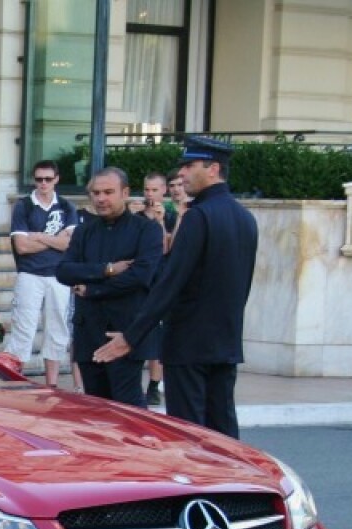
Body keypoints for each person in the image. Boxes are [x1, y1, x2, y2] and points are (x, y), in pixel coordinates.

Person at [94, 136, 258, 439]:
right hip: (225, 343)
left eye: (189, 165)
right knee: (224, 435)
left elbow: (171, 282)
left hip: (189, 346)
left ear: (213, 169)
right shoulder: (244, 217)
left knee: (190, 438)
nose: (181, 174)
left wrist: (131, 336)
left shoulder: (199, 216)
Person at [55, 167, 163, 407]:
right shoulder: (84, 231)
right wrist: (107, 269)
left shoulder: (146, 229)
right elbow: (64, 271)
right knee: (96, 410)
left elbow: (140, 275)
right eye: (95, 193)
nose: (101, 198)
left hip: (124, 334)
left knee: (128, 408)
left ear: (125, 193)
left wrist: (92, 289)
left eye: (108, 192)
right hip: (88, 333)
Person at [2, 159, 78, 387]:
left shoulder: (66, 206)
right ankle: (17, 380)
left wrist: (39, 236)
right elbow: (22, 246)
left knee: (57, 328)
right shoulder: (24, 206)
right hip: (30, 273)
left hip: (59, 274)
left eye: (47, 179)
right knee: (23, 327)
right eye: (38, 179)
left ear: (56, 179)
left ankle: (51, 384)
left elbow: (69, 244)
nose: (43, 183)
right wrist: (55, 239)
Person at [135, 172, 176, 406]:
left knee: (156, 335)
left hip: (159, 279)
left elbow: (165, 249)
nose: (150, 194)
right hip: (141, 278)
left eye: (154, 190)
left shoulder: (170, 217)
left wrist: (160, 223)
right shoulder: (137, 217)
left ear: (164, 192)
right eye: (147, 190)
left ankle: (154, 384)